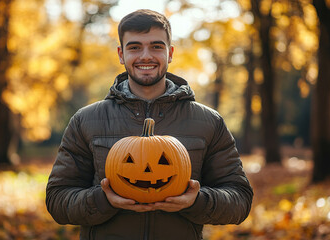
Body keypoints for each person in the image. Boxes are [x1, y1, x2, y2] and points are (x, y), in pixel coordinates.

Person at [46, 9, 253, 240]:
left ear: (170, 52)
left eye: (156, 46)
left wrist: (197, 201)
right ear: (121, 54)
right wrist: (103, 200)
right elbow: (57, 199)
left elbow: (240, 199)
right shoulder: (86, 120)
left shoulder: (208, 122)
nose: (146, 56)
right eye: (134, 47)